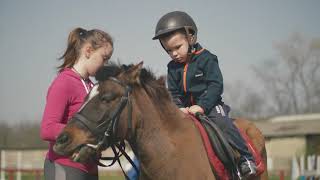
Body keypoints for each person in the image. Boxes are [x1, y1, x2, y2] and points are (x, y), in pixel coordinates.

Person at [152, 11, 257, 178]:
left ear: (190, 37)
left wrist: (201, 106)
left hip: (211, 106)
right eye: (169, 50)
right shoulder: (172, 67)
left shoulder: (207, 59)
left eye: (177, 47)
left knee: (223, 124)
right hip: (186, 110)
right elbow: (173, 92)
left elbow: (216, 85)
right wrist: (179, 108)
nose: (173, 54)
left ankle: (246, 158)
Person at [40, 27, 113, 180]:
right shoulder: (64, 82)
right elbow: (47, 129)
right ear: (88, 51)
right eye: (104, 58)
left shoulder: (92, 87)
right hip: (65, 167)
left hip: (90, 168)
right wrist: (85, 133)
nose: (105, 64)